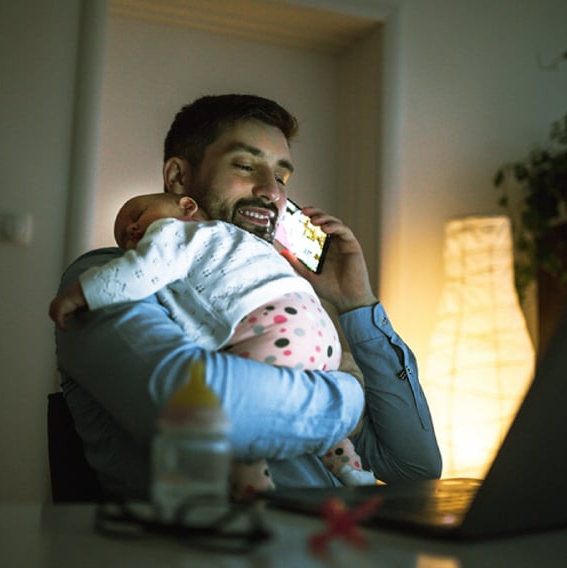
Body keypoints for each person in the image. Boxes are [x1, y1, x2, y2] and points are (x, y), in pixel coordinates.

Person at [54, 94, 441, 501]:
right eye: (245, 165)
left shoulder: (278, 309)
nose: (272, 191)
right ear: (179, 178)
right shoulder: (100, 281)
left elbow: (414, 467)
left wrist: (356, 304)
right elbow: (193, 410)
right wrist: (344, 397)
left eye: (282, 177)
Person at [50, 191, 377, 499]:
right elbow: (202, 406)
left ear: (187, 207)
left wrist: (86, 293)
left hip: (275, 330)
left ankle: (255, 493)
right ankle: (353, 472)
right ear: (177, 175)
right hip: (318, 338)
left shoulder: (177, 234)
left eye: (136, 216)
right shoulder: (238, 247)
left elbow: (138, 271)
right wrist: (345, 397)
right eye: (124, 234)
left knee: (245, 445)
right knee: (321, 439)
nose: (131, 229)